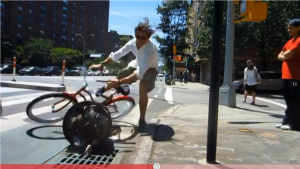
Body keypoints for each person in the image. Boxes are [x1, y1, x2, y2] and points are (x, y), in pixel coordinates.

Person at [90, 20, 158, 131]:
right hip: (137, 64)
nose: (140, 40)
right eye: (138, 37)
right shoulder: (132, 43)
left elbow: (138, 74)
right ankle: (104, 88)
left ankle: (142, 120)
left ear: (149, 37)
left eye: (143, 38)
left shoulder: (150, 51)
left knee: (143, 87)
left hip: (150, 68)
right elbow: (117, 54)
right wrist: (101, 64)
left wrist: (120, 83)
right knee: (119, 77)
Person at [276, 18, 300, 131]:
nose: (288, 29)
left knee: (295, 101)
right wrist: (284, 55)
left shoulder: (299, 40)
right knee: (288, 101)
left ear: (298, 27)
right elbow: (280, 55)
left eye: (291, 27)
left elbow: (287, 55)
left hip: (296, 77)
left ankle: (294, 124)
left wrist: (284, 55)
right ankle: (286, 121)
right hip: (286, 76)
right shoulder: (290, 41)